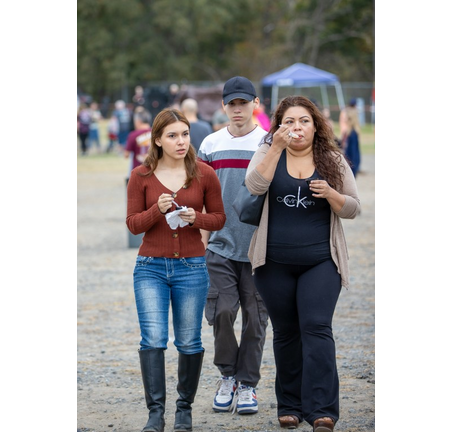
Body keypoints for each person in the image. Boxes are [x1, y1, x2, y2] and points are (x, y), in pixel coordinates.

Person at [244, 95, 360, 432]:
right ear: (279, 125)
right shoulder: (267, 153)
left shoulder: (333, 159)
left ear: (315, 124)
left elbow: (352, 207)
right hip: (273, 263)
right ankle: (290, 406)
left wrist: (332, 195)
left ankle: (322, 409)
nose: (297, 127)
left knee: (317, 328)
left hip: (320, 263)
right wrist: (275, 149)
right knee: (286, 333)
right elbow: (254, 186)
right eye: (290, 121)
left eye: (304, 121)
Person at [126, 108, 226, 432]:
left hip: (192, 268)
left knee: (189, 341)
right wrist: (156, 210)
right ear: (157, 140)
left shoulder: (204, 174)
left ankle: (184, 410)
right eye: (172, 136)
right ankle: (156, 414)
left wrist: (197, 219)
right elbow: (132, 225)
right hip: (150, 268)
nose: (181, 141)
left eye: (184, 134)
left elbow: (220, 219)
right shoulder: (141, 176)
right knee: (152, 340)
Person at [198, 76, 269, 416]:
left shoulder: (268, 144)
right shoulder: (210, 145)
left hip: (259, 248)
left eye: (244, 102)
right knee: (222, 312)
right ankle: (227, 375)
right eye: (232, 104)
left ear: (255, 104)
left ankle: (248, 385)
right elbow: (199, 197)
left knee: (255, 319)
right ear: (223, 106)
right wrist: (202, 243)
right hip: (221, 246)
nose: (238, 109)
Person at [124, 107, 152, 173]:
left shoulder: (133, 135)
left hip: (138, 171)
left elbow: (126, 155)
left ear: (138, 121)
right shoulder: (156, 133)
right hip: (154, 171)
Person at [339, 99, 361, 176]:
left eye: (346, 118)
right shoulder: (348, 133)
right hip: (348, 166)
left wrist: (352, 169)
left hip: (351, 167)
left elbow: (353, 154)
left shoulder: (353, 134)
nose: (344, 119)